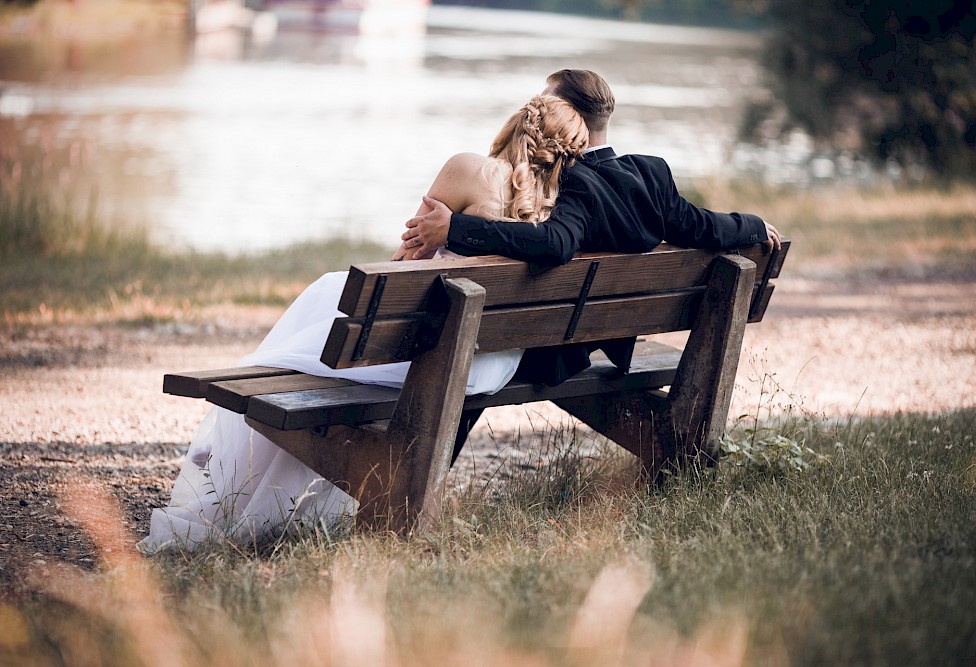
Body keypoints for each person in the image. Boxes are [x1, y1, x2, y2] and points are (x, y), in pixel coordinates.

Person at [138, 94, 590, 553]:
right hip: (488, 367)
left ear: (516, 126)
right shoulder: (566, 210)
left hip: (414, 350)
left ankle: (237, 499)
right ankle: (292, 506)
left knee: (297, 341)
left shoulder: (471, 170)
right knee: (320, 332)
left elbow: (406, 259)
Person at [400, 69, 782, 386]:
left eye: (547, 100)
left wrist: (455, 228)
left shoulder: (567, 180)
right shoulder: (651, 173)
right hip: (602, 335)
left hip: (549, 346)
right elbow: (701, 226)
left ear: (565, 114)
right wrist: (752, 225)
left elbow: (555, 244)